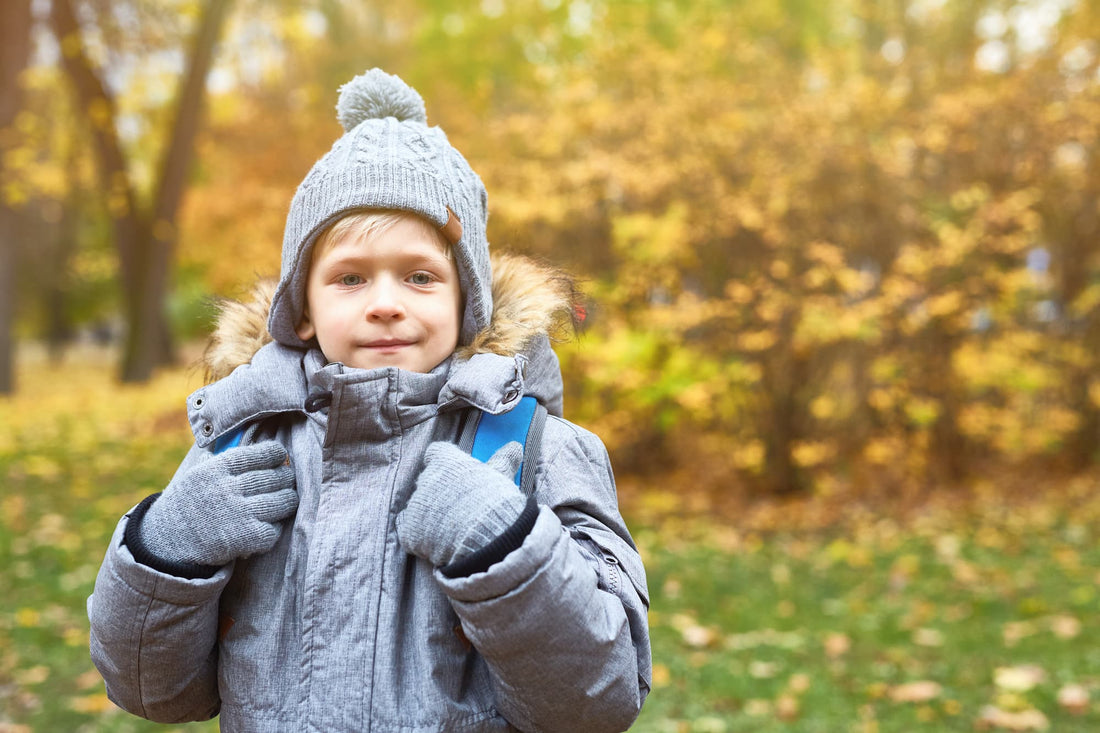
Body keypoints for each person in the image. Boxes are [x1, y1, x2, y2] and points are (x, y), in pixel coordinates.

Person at [87, 68, 651, 732]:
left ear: (466, 303)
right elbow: (153, 691)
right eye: (350, 278)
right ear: (302, 311)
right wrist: (167, 547)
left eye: (419, 275)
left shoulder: (535, 448)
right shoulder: (239, 444)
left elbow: (598, 698)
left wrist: (506, 549)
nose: (385, 303)